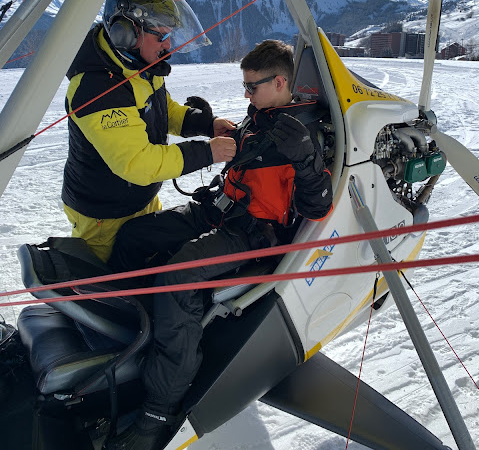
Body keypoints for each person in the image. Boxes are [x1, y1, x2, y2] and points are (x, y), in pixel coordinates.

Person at [107, 39, 333, 450]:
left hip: (252, 233)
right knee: (134, 236)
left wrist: (306, 162)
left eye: (251, 87)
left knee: (178, 277)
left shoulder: (302, 133)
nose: (245, 94)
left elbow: (317, 209)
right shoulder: (263, 114)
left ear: (280, 81)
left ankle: (160, 406)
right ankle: (131, 335)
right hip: (218, 209)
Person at [62, 0, 236, 262]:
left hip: (140, 199)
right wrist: (207, 152)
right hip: (103, 216)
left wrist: (207, 124)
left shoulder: (136, 64)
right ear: (126, 33)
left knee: (150, 260)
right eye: (161, 36)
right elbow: (137, 163)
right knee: (112, 289)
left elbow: (162, 109)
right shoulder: (96, 88)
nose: (168, 45)